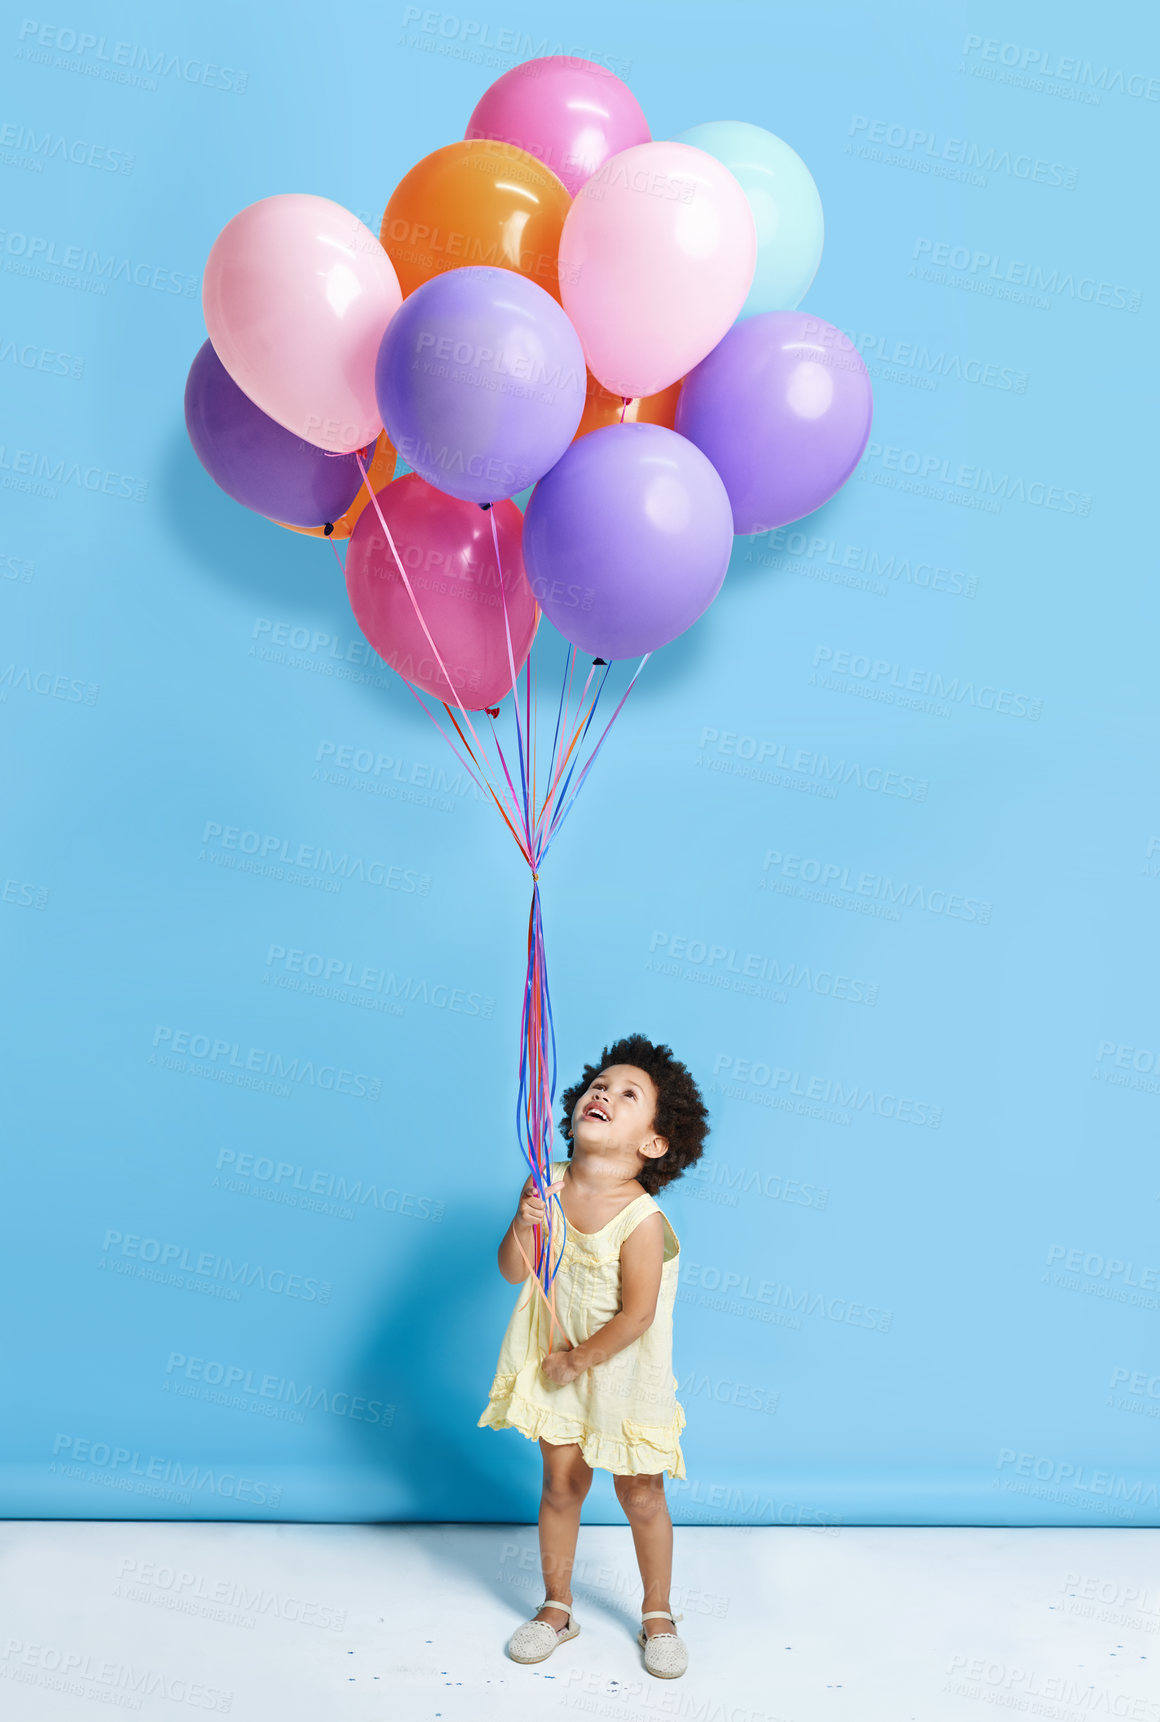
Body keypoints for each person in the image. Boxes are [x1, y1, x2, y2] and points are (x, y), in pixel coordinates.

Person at [478, 1032, 709, 1679]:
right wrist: (525, 1221)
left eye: (627, 1093)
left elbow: (635, 1315)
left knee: (640, 1494)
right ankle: (556, 1607)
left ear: (654, 1142)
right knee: (560, 1485)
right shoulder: (544, 1182)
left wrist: (579, 1362)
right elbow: (509, 1271)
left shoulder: (642, 1220)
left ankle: (658, 1614)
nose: (603, 1093)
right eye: (598, 1085)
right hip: (558, 1363)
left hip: (618, 1370)